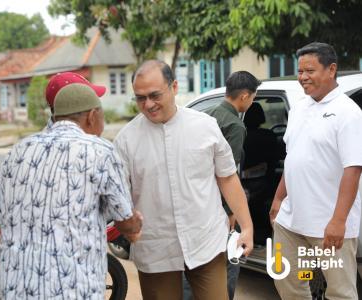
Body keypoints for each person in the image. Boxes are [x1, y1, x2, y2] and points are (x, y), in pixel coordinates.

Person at [0, 83, 143, 299]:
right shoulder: (100, 150)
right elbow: (124, 221)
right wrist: (135, 226)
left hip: (16, 289)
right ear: (92, 116)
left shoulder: (19, 150)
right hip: (73, 290)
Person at [114, 60, 254, 300]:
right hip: (156, 247)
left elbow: (228, 178)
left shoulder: (205, 126)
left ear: (174, 87)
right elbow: (118, 197)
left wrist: (247, 227)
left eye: (155, 95)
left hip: (205, 240)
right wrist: (125, 225)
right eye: (140, 98)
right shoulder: (126, 140)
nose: (148, 104)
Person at [269, 42, 362, 299]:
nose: (302, 77)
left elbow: (352, 170)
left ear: (331, 69)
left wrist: (339, 221)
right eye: (300, 71)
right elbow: (293, 157)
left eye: (309, 71)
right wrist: (279, 198)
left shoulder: (348, 113)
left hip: (328, 225)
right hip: (291, 220)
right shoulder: (300, 107)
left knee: (339, 291)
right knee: (287, 275)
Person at [205, 71, 261, 300]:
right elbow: (230, 174)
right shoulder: (235, 126)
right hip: (219, 205)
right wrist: (232, 213)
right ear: (245, 96)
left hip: (202, 199)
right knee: (229, 261)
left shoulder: (208, 114)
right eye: (254, 97)